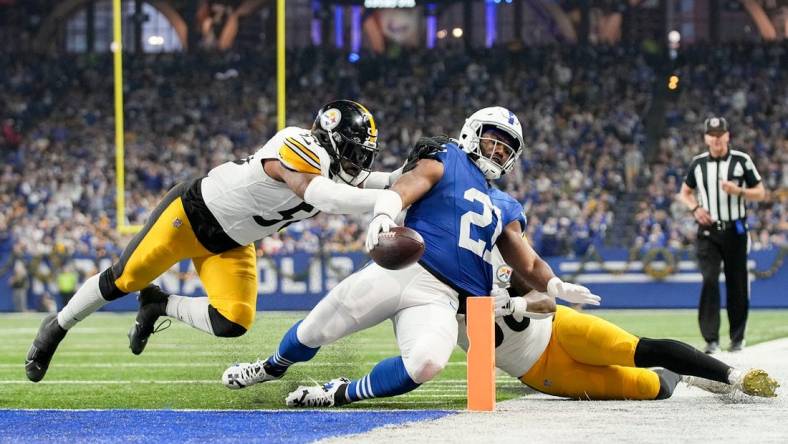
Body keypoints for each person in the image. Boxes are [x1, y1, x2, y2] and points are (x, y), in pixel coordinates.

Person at [221, 106, 599, 407]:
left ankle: (338, 393)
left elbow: (528, 263)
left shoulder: (507, 205)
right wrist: (385, 214)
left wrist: (556, 284)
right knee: (315, 331)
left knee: (427, 364)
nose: (497, 150)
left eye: (506, 147)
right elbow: (405, 186)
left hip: (443, 298)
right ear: (472, 134)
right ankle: (271, 367)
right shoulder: (447, 156)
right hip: (403, 269)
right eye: (493, 140)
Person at [25, 100, 398, 383]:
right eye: (351, 149)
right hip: (190, 217)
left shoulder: (332, 168)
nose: (357, 160)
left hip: (233, 243)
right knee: (124, 280)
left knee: (232, 320)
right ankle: (56, 327)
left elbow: (378, 181)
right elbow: (324, 196)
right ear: (328, 137)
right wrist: (387, 201)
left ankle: (159, 305)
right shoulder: (296, 143)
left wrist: (409, 175)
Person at [455, 244, 779, 401]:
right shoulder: (424, 294)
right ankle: (679, 375)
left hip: (559, 330)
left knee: (636, 349)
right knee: (649, 388)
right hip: (539, 371)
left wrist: (516, 303)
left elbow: (548, 303)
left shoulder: (492, 260)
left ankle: (733, 375)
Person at [677, 116, 767, 354]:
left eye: (720, 135)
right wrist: (695, 209)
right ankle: (711, 340)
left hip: (735, 230)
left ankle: (737, 338)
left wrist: (738, 190)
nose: (716, 139)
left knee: (736, 283)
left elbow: (760, 192)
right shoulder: (698, 164)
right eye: (712, 135)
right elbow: (684, 193)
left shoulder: (741, 161)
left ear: (727, 135)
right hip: (708, 232)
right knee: (709, 280)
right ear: (706, 138)